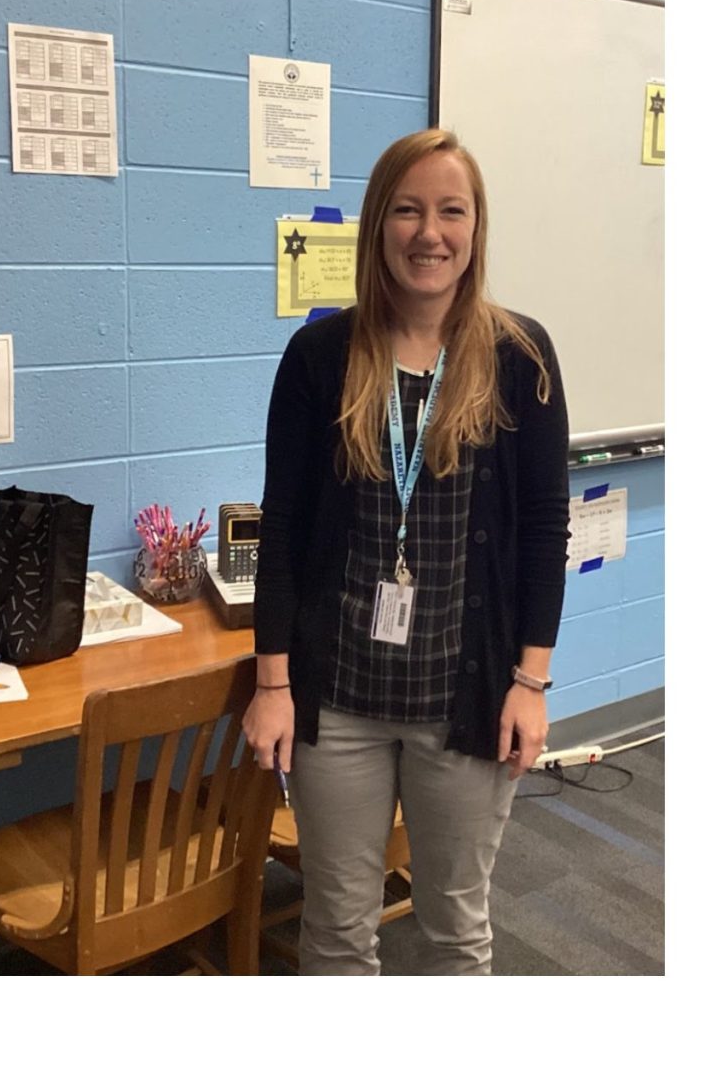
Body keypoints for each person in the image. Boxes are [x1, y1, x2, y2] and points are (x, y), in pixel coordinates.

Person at [244, 128, 569, 976]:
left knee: (453, 934)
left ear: (475, 226)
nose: (430, 232)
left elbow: (542, 530)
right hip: (338, 705)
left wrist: (530, 683)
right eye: (408, 209)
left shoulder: (518, 357)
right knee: (336, 931)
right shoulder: (319, 356)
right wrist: (271, 685)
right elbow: (280, 529)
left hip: (463, 702)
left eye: (450, 210)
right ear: (378, 225)